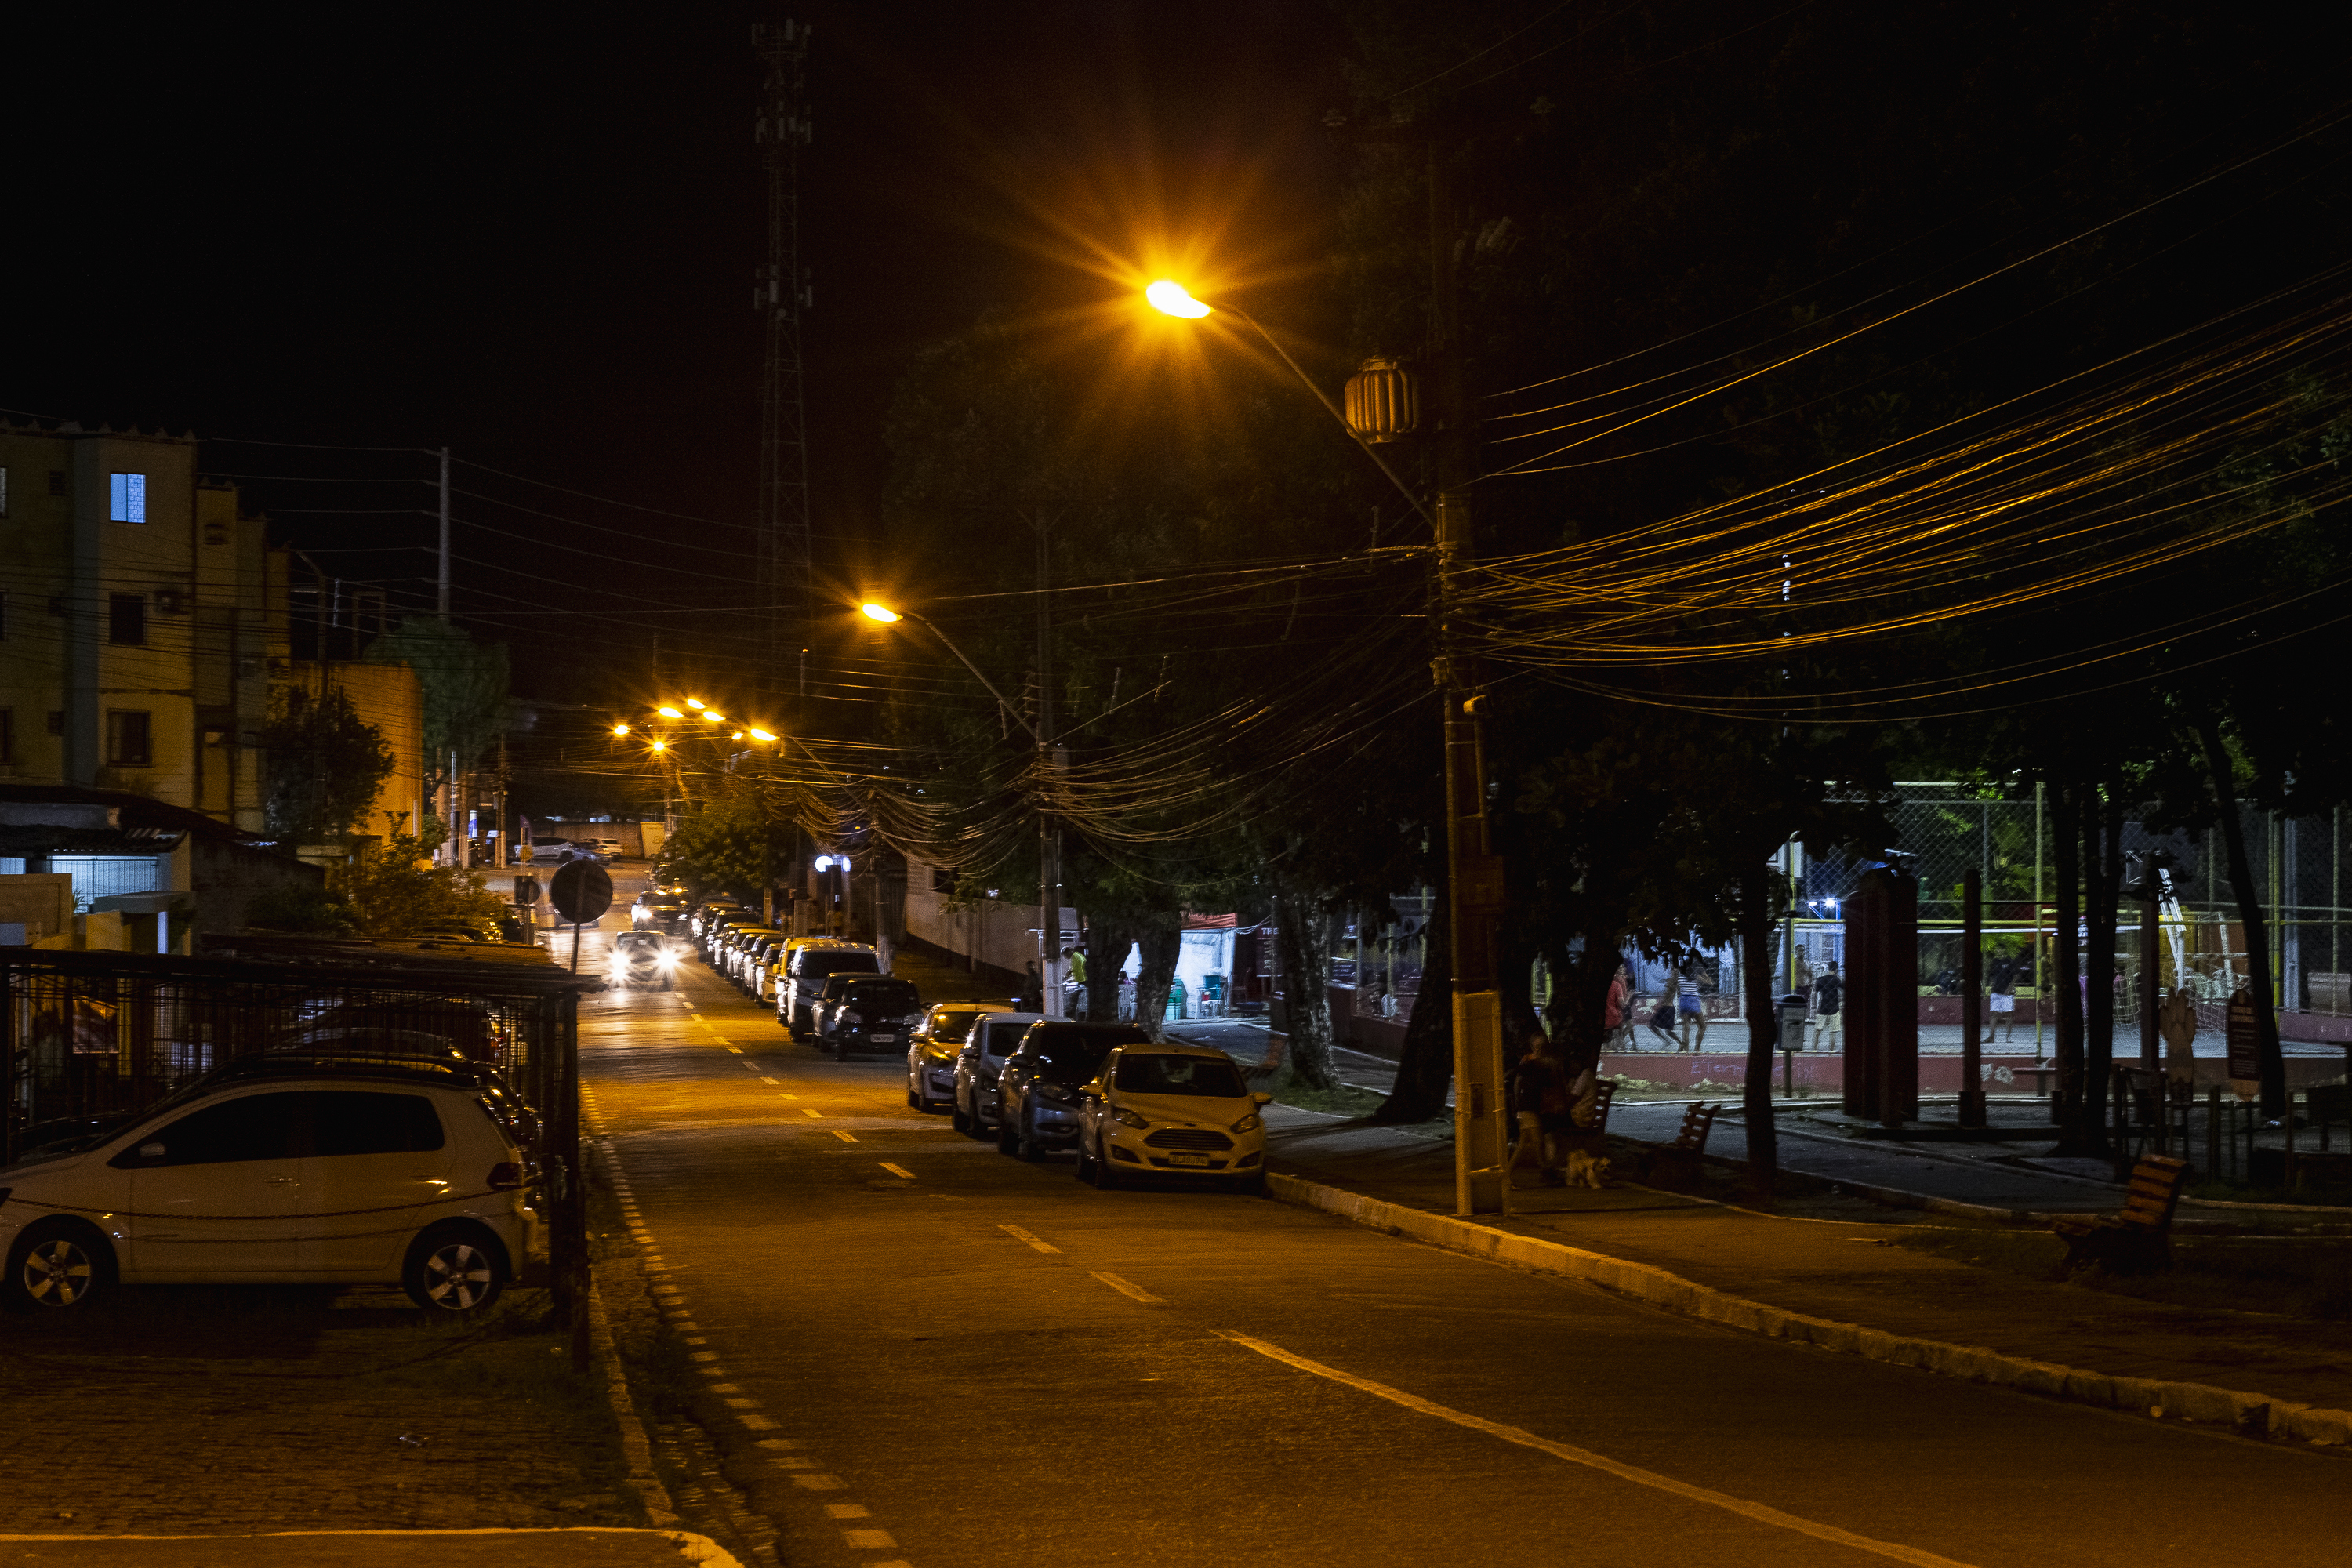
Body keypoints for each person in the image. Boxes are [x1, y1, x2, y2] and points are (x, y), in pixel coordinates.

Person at [1988, 950, 2019, 1042]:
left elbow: (2016, 975)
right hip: (1996, 991)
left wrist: (2010, 987)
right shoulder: (1995, 962)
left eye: (1999, 949)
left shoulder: (2009, 961)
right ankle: (1991, 1037)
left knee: (2008, 1014)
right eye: (1996, 949)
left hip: (2007, 993)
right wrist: (1991, 986)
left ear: (2003, 950)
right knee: (1994, 1014)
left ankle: (2008, 1037)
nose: (1997, 951)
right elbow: (1992, 975)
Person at [1644, 976, 1679, 1049]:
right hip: (1663, 1009)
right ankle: (1666, 1040)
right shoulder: (1668, 988)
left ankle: (1681, 1043)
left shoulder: (1673, 988)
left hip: (1668, 1009)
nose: (1667, 982)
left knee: (1669, 1032)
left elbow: (1674, 983)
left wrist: (1671, 981)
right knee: (1652, 1025)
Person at [1678, 966, 1708, 1051]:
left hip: (1683, 1001)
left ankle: (1686, 1050)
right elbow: (1709, 982)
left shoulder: (1680, 977)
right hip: (1693, 1000)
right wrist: (1703, 972)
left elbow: (1678, 988)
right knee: (1702, 1026)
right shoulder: (1696, 977)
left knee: (1686, 1028)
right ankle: (1697, 1049)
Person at [1813, 962, 1844, 1043]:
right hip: (1834, 1008)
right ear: (1836, 970)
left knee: (1817, 1030)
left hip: (1823, 1007)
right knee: (1832, 1032)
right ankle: (1831, 1052)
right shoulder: (1836, 979)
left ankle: (1814, 1049)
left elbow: (1816, 990)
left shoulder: (1821, 979)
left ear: (1828, 968)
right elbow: (1843, 988)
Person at [1603, 962, 1630, 1052]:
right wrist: (1629, 996)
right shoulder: (1616, 984)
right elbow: (1622, 1003)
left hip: (1607, 1018)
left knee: (1607, 1044)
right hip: (1613, 1018)